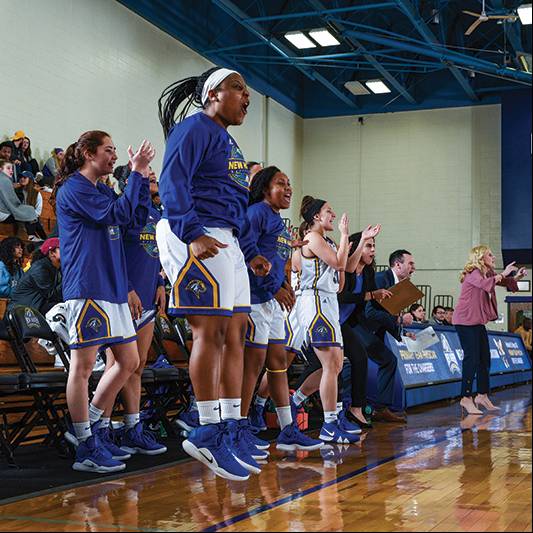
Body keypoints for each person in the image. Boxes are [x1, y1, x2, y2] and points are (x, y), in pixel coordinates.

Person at [156, 66, 271, 481]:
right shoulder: (194, 128)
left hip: (228, 238)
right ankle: (206, 427)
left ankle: (231, 426)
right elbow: (172, 181)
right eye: (239, 88)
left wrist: (251, 250)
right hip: (197, 230)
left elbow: (234, 201)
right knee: (212, 333)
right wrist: (191, 233)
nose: (246, 97)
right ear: (212, 93)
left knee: (236, 332)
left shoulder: (228, 140)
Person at [55, 129, 154, 473]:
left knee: (128, 361)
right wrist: (138, 173)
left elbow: (132, 219)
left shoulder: (101, 190)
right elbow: (116, 215)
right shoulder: (75, 188)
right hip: (88, 285)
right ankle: (85, 443)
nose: (114, 156)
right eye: (109, 150)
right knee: (82, 367)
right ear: (87, 153)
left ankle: (92, 423)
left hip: (112, 286)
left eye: (115, 151)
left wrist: (139, 183)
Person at [240, 166, 323, 452]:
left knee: (278, 364)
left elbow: (277, 259)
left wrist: (284, 287)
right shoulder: (256, 213)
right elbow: (248, 255)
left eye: (289, 184)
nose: (288, 189)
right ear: (265, 189)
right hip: (255, 299)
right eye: (280, 184)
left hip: (273, 302)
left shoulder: (276, 219)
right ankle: (239, 429)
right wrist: (273, 288)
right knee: (251, 367)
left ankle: (287, 429)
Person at [97, 167, 167, 457]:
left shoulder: (156, 215)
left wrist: (161, 281)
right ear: (130, 182)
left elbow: (156, 254)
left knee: (137, 366)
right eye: (146, 176)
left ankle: (132, 428)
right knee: (118, 367)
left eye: (153, 176)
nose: (153, 178)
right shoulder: (121, 211)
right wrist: (126, 287)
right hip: (124, 296)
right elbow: (113, 254)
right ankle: (100, 429)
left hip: (149, 296)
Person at [295, 195, 361, 444]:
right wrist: (346, 236)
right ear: (316, 217)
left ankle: (296, 402)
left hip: (328, 302)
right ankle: (329, 424)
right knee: (331, 365)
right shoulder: (312, 238)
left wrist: (360, 239)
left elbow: (344, 270)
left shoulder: (327, 241)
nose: (333, 215)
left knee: (334, 365)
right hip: (315, 302)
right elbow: (337, 262)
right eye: (328, 211)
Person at [453, 246, 527, 415]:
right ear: (480, 257)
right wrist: (505, 272)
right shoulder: (473, 273)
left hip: (477, 321)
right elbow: (486, 285)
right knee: (471, 358)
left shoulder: (488, 274)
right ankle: (465, 398)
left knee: (484, 359)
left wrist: (516, 277)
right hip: (464, 321)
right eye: (490, 255)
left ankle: (482, 395)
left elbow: (501, 282)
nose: (493, 257)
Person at [338, 230, 393, 429]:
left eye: (373, 246)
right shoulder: (345, 269)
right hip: (330, 321)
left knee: (359, 358)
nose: (373, 250)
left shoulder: (368, 272)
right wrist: (371, 295)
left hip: (347, 323)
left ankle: (356, 409)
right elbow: (342, 297)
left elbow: (367, 305)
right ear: (355, 247)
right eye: (368, 246)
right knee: (322, 368)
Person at [360, 249, 417, 423]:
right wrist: (399, 318)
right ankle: (372, 408)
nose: (413, 268)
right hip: (359, 328)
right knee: (383, 362)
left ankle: (379, 408)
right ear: (398, 265)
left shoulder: (398, 285)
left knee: (387, 361)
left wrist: (403, 332)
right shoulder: (380, 279)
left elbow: (386, 315)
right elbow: (369, 312)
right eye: (410, 264)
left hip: (373, 331)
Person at [8, 237, 62, 314]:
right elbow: (51, 295)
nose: (67, 251)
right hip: (22, 312)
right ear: (52, 253)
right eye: (62, 248)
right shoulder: (40, 268)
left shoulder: (56, 267)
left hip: (36, 306)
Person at [0, 160, 39, 230]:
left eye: (12, 168)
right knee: (29, 211)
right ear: (1, 169)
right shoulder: (5, 180)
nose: (11, 171)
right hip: (2, 212)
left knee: (29, 211)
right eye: (8, 168)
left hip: (3, 211)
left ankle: (34, 235)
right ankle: (34, 235)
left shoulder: (36, 192)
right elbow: (10, 202)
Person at [16, 171, 48, 241]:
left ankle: (39, 238)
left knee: (34, 219)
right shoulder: (16, 191)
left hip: (31, 218)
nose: (22, 179)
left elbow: (38, 212)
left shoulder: (36, 194)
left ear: (30, 179)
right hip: (19, 216)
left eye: (24, 177)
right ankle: (39, 238)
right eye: (20, 177)